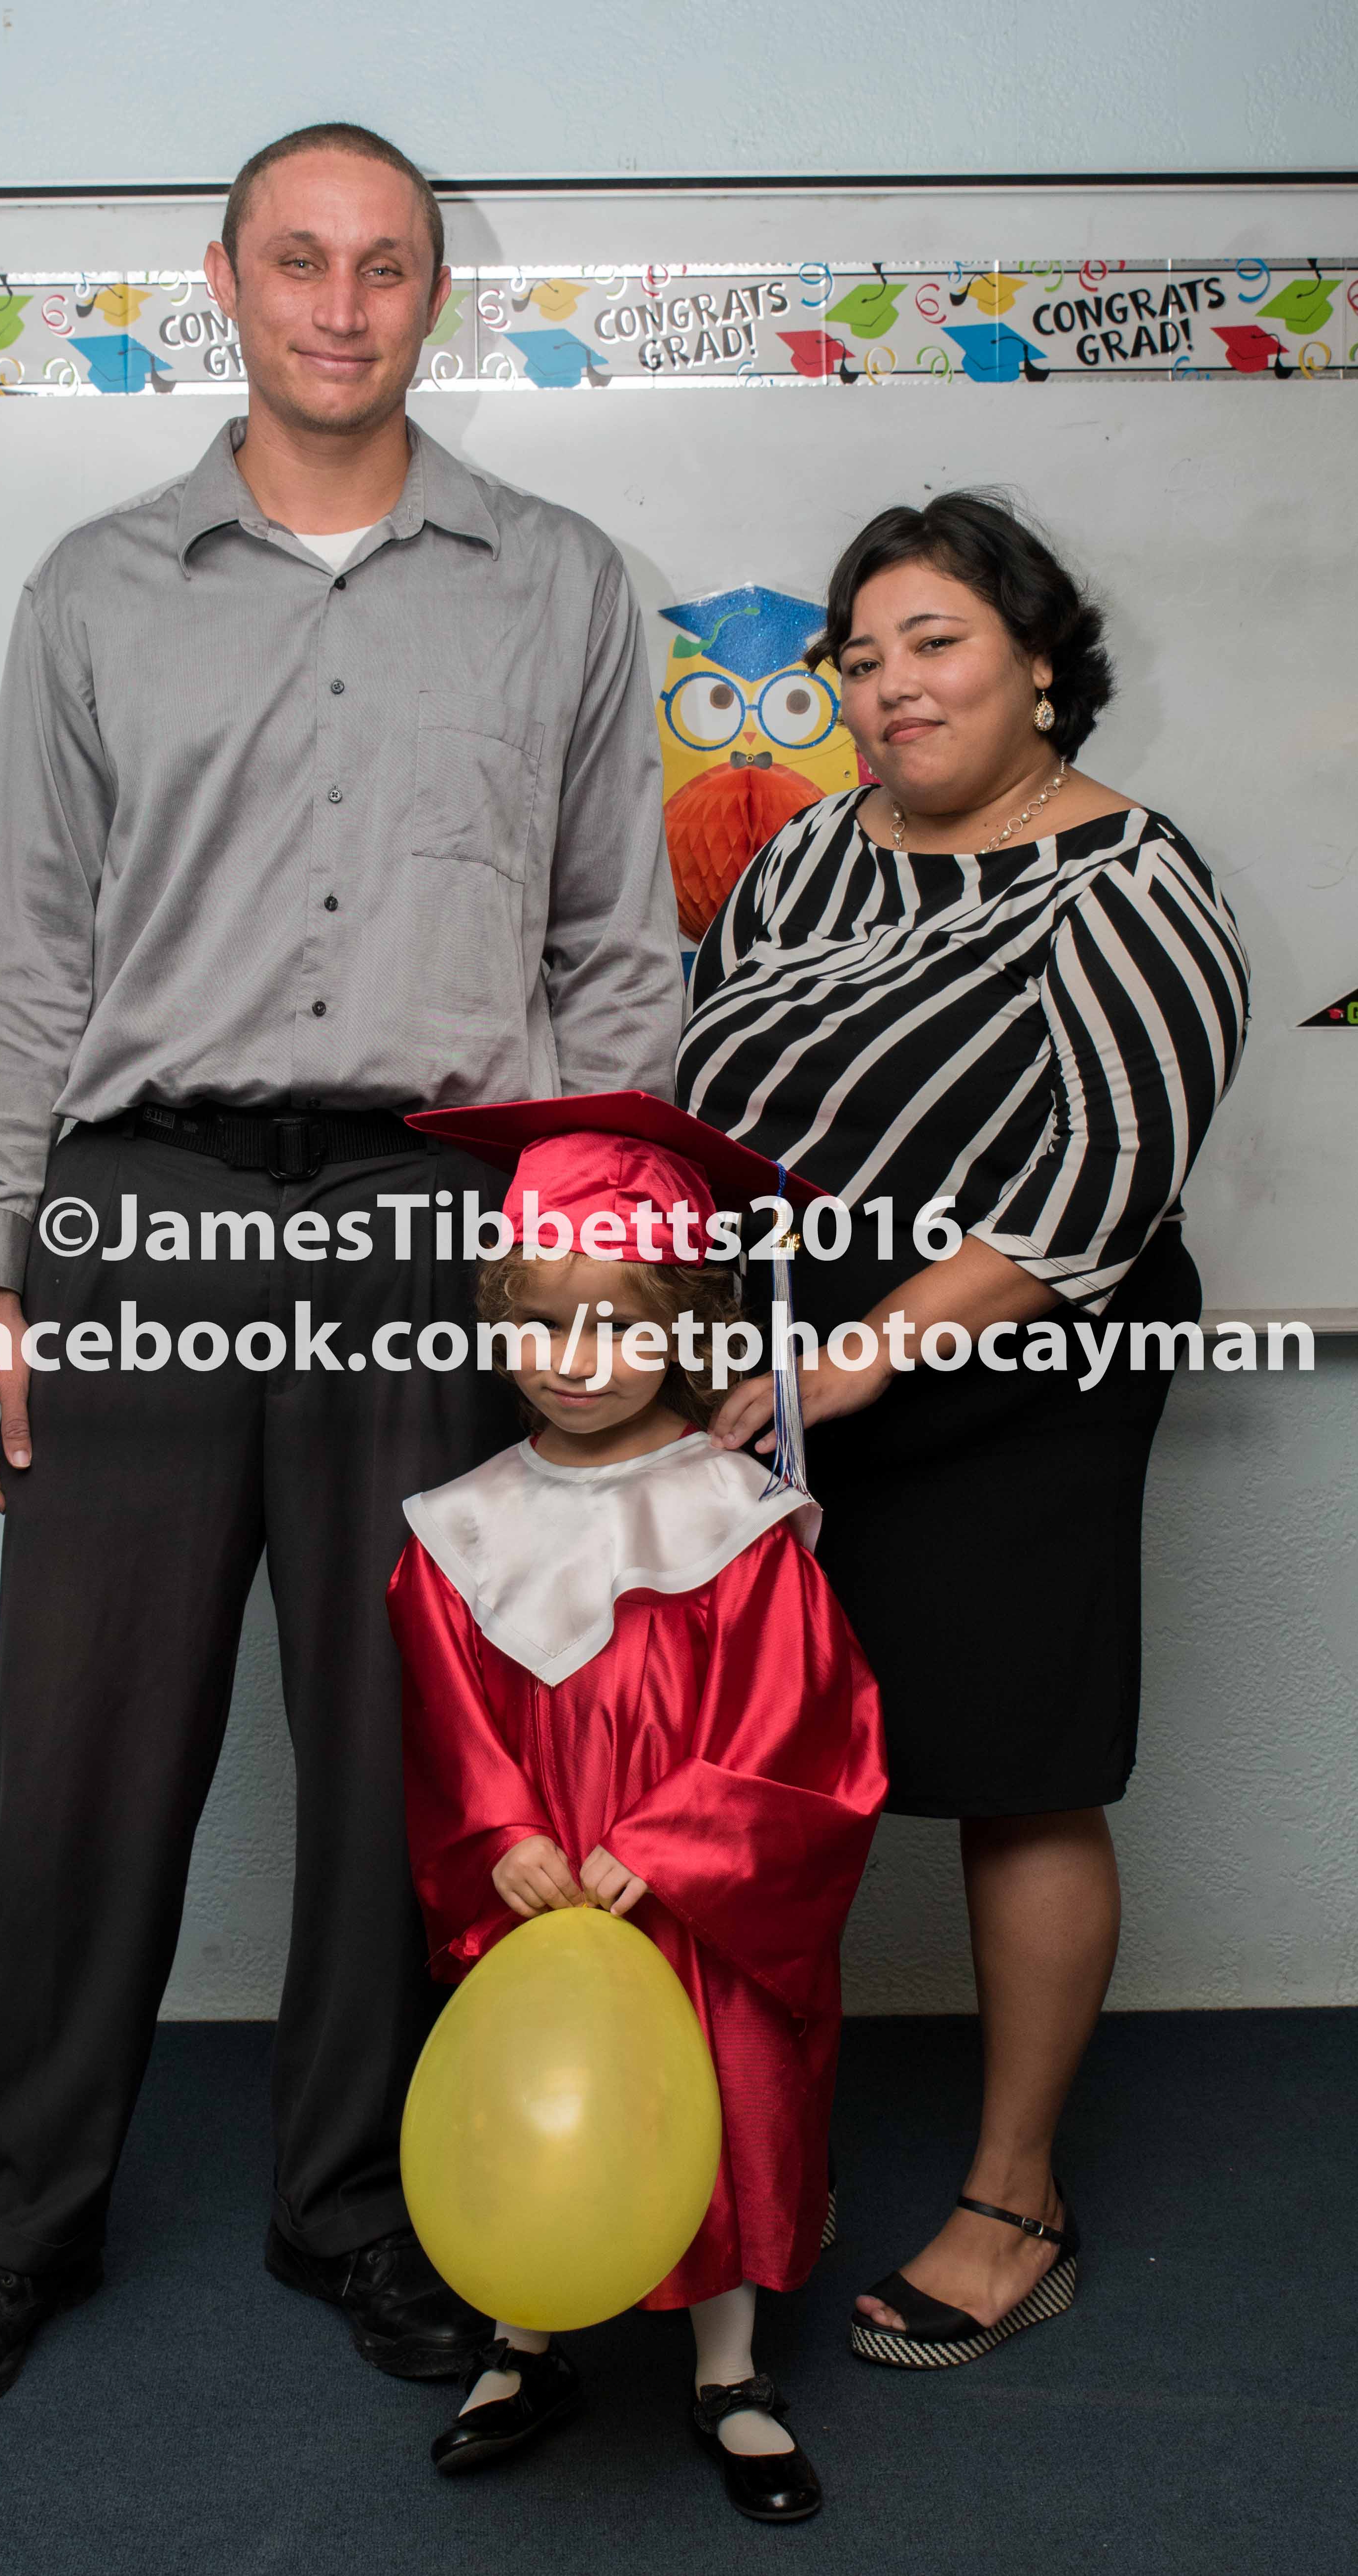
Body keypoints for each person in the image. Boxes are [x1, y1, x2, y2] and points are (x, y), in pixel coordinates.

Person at [0, 123, 683, 2415]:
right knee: (83, 1752)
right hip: (143, 1215)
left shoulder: (558, 583)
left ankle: (355, 2210)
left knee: (396, 1758)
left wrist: (589, 1254)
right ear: (220, 281)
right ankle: (8, 2232)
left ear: (439, 296)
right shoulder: (97, 589)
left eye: (386, 266)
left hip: (433, 1211)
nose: (342, 304)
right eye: (300, 262)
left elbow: (614, 954)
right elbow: (25, 953)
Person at [676, 491, 1250, 2368]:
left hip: (1015, 1378)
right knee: (768, 1778)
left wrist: (859, 1357)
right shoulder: (805, 856)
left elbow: (1098, 1185)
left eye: (936, 643)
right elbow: (715, 1091)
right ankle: (771, 2150)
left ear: (1041, 668)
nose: (892, 686)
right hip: (782, 1374)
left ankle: (1017, 2202)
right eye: (862, 657)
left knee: (1018, 1767)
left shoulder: (1133, 880)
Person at [386, 1094, 887, 2522]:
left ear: (687, 1327)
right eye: (543, 1324)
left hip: (689, 1898)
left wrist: (670, 1849)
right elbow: (446, 1722)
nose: (576, 1360)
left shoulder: (735, 1520)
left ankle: (730, 2374)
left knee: (718, 2102)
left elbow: (798, 1726)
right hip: (543, 1886)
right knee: (527, 2096)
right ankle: (521, 2342)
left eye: (617, 1326)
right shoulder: (459, 1527)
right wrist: (502, 1838)